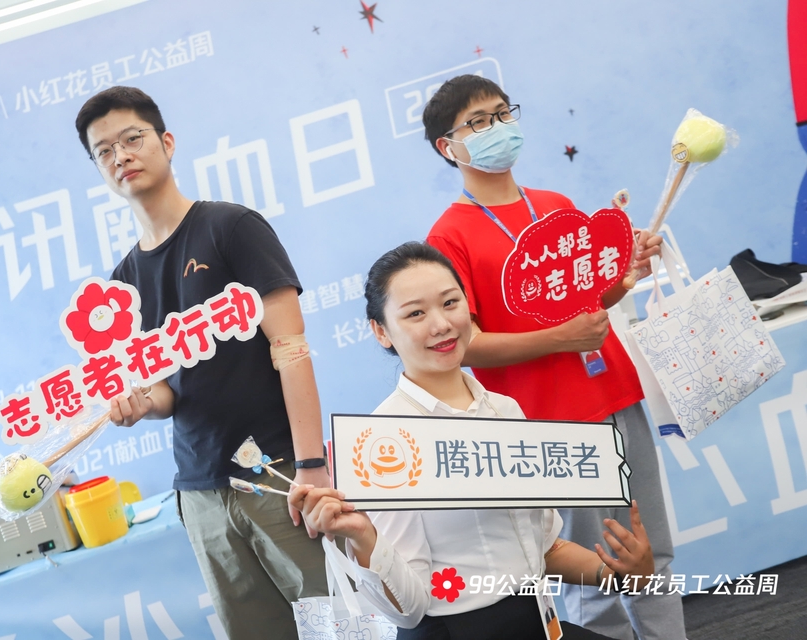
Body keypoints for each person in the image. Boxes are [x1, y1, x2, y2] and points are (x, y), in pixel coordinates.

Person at [421, 74, 685, 640]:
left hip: (614, 392)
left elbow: (590, 303)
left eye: (503, 113)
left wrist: (625, 273)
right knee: (595, 577)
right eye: (478, 122)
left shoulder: (555, 207)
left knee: (652, 553)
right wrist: (561, 339)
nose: (498, 128)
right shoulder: (448, 238)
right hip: (546, 424)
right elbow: (463, 344)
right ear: (448, 146)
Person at [289, 242, 655, 640]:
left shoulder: (505, 410)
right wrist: (364, 536)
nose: (441, 325)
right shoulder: (385, 441)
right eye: (415, 313)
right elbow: (409, 612)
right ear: (381, 331)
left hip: (536, 620)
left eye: (450, 303)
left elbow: (545, 549)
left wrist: (620, 575)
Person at [74, 86, 330, 639]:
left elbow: (291, 349)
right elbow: (167, 391)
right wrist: (140, 403)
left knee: (340, 623)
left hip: (278, 473)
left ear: (166, 143)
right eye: (104, 151)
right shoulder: (122, 284)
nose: (121, 156)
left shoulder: (231, 227)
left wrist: (311, 465)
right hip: (199, 492)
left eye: (132, 139)